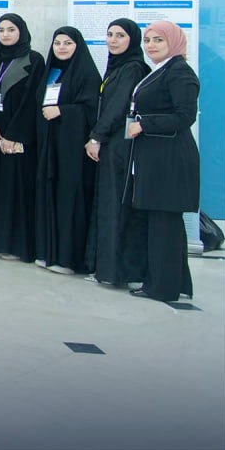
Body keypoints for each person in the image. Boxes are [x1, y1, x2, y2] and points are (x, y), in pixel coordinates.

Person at [122, 20, 200, 303]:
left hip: (170, 159)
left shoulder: (179, 72)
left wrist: (144, 124)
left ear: (174, 42)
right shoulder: (163, 70)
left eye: (158, 40)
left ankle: (162, 287)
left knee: (164, 224)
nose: (151, 45)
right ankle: (173, 283)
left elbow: (184, 116)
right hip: (155, 156)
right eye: (148, 40)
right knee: (163, 224)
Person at [84, 19, 148, 287]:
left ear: (132, 39)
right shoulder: (117, 66)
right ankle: (105, 269)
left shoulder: (132, 68)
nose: (113, 40)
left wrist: (96, 136)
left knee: (115, 207)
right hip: (112, 144)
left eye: (120, 35)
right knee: (107, 205)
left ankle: (115, 272)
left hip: (118, 146)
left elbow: (118, 107)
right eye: (110, 34)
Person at [33, 27, 101, 275]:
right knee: (48, 193)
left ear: (78, 46)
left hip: (72, 150)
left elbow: (91, 109)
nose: (61, 47)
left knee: (69, 198)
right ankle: (48, 252)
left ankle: (68, 259)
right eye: (57, 43)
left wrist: (63, 111)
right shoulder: (51, 70)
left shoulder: (86, 73)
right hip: (49, 145)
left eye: (68, 43)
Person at [0, 13, 45, 263]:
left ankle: (18, 247)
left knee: (17, 190)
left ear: (21, 31)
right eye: (1, 30)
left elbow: (32, 101)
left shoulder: (33, 60)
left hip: (18, 137)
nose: (6, 34)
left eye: (11, 29)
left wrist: (14, 134)